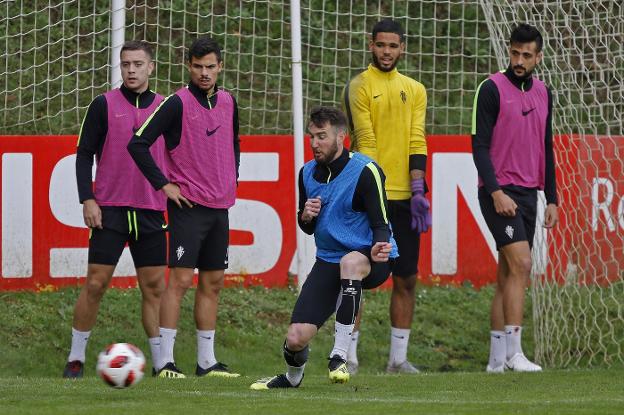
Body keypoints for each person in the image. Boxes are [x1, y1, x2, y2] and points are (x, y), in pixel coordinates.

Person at [250, 106, 398, 390]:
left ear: (341, 136)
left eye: (322, 136)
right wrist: (305, 215)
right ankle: (292, 379)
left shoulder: (366, 171)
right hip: (329, 260)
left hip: (371, 255)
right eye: (311, 137)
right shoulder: (306, 173)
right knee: (295, 337)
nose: (315, 143)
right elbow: (306, 227)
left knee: (351, 263)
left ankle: (339, 356)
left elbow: (382, 221)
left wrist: (381, 245)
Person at [127, 36, 240, 378]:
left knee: (214, 282)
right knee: (178, 282)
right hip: (188, 207)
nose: (204, 73)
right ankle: (165, 362)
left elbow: (234, 144)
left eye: (210, 67)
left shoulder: (229, 101)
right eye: (198, 67)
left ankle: (207, 362)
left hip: (220, 208)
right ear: (188, 67)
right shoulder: (176, 103)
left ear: (220, 67)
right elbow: (138, 144)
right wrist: (164, 184)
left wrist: (230, 178)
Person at [63, 40, 167, 378]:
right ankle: (75, 357)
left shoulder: (167, 108)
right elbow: (83, 154)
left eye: (138, 64)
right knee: (95, 283)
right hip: (109, 211)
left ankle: (161, 362)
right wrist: (87, 198)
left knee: (154, 288)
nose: (132, 70)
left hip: (151, 210)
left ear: (151, 67)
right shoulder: (103, 105)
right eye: (126, 64)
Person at [343, 18, 429, 374]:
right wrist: (371, 192)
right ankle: (348, 354)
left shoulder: (415, 88)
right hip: (368, 192)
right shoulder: (359, 85)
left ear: (402, 48)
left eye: (393, 46)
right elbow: (367, 141)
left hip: (405, 196)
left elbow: (416, 139)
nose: (387, 52)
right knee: (357, 275)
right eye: (381, 45)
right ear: (371, 45)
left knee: (406, 277)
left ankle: (398, 359)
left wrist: (418, 189)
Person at [472, 23, 558, 372]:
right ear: (509, 51)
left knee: (508, 274)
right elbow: (478, 147)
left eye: (527, 55)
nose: (519, 60)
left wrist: (551, 198)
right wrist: (495, 192)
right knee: (522, 264)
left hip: (529, 194)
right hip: (498, 193)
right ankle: (514, 353)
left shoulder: (544, 93)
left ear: (538, 57)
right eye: (515, 52)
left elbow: (546, 147)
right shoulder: (491, 89)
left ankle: (495, 361)